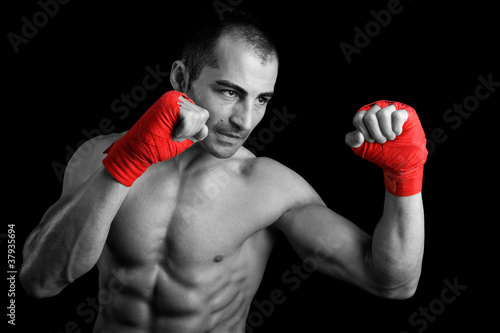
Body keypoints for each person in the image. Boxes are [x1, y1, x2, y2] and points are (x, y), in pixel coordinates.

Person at [20, 10, 427, 333]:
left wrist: (406, 179)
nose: (246, 120)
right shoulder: (100, 155)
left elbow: (391, 283)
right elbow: (37, 282)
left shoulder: (268, 187)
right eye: (230, 92)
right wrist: (127, 163)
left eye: (262, 99)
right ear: (182, 78)